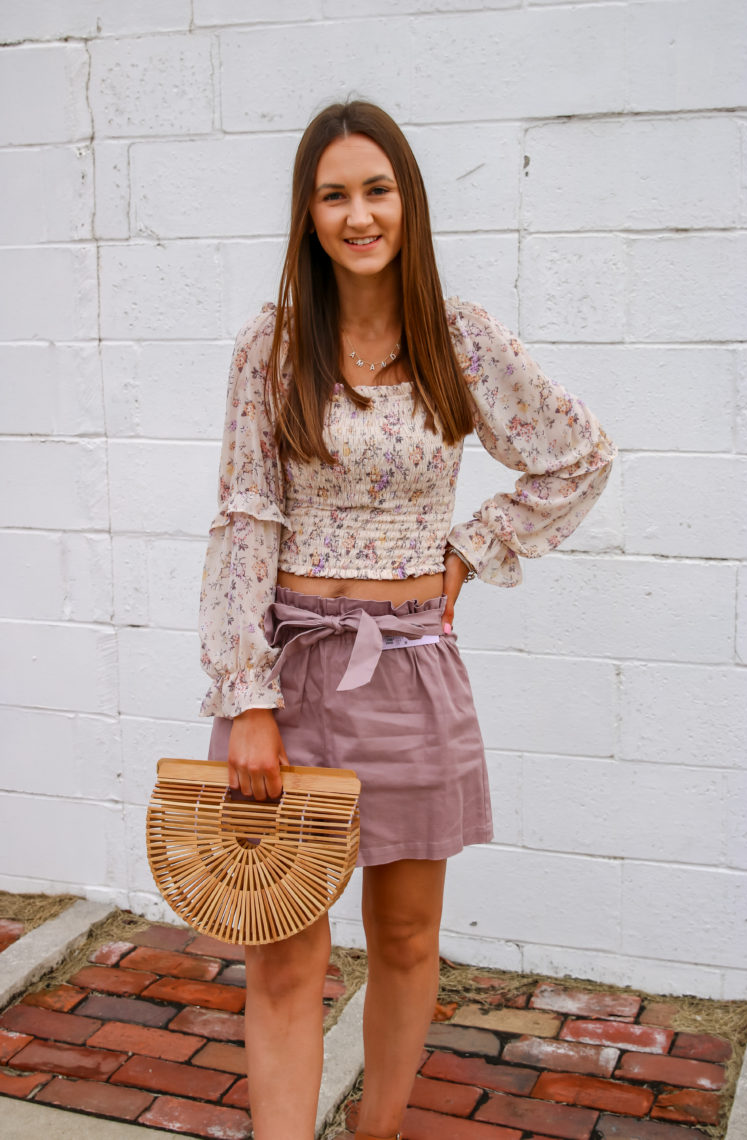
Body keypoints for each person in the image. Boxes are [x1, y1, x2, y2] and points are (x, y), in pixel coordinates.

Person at [199, 100, 615, 1140]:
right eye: (333, 193)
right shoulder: (273, 342)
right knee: (285, 951)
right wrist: (245, 696)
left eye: (375, 189)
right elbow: (244, 514)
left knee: (407, 939)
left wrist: (470, 554)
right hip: (291, 674)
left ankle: (377, 1129)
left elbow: (578, 453)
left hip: (411, 670)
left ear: (407, 201)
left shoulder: (458, 334)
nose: (358, 214)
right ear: (308, 213)